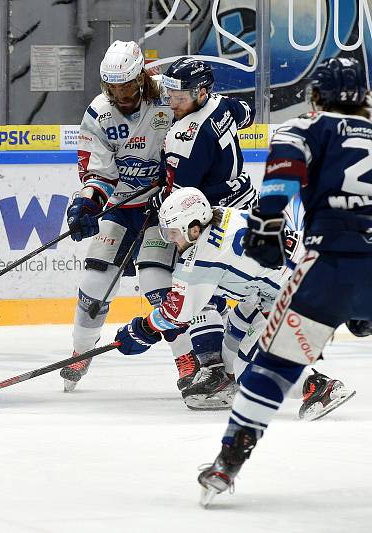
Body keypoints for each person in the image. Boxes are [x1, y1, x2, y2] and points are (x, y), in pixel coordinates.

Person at [197, 56, 372, 505]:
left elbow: (282, 179)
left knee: (275, 366)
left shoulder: (304, 128)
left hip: (326, 269)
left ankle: (228, 461)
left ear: (317, 94)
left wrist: (266, 226)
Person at [113, 187, 354, 415]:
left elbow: (177, 313)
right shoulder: (222, 213)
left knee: (248, 371)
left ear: (194, 228)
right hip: (300, 281)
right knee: (237, 326)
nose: (172, 241)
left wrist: (141, 330)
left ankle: (319, 387)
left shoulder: (203, 257)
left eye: (173, 233)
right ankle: (226, 379)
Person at [62, 40, 179, 392]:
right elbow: (98, 172)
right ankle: (81, 352)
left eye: (127, 85)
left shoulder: (168, 97)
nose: (121, 94)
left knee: (159, 286)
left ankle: (189, 363)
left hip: (165, 210)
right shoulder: (98, 113)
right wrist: (87, 204)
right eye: (113, 87)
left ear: (141, 77)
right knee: (94, 286)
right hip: (122, 207)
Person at [153, 57, 260, 405]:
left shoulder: (186, 135)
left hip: (210, 218)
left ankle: (214, 369)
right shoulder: (223, 105)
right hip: (246, 206)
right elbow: (248, 111)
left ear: (200, 92)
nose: (171, 101)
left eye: (179, 95)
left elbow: (181, 195)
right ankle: (243, 362)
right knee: (252, 288)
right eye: (169, 93)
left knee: (199, 289)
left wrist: (159, 198)